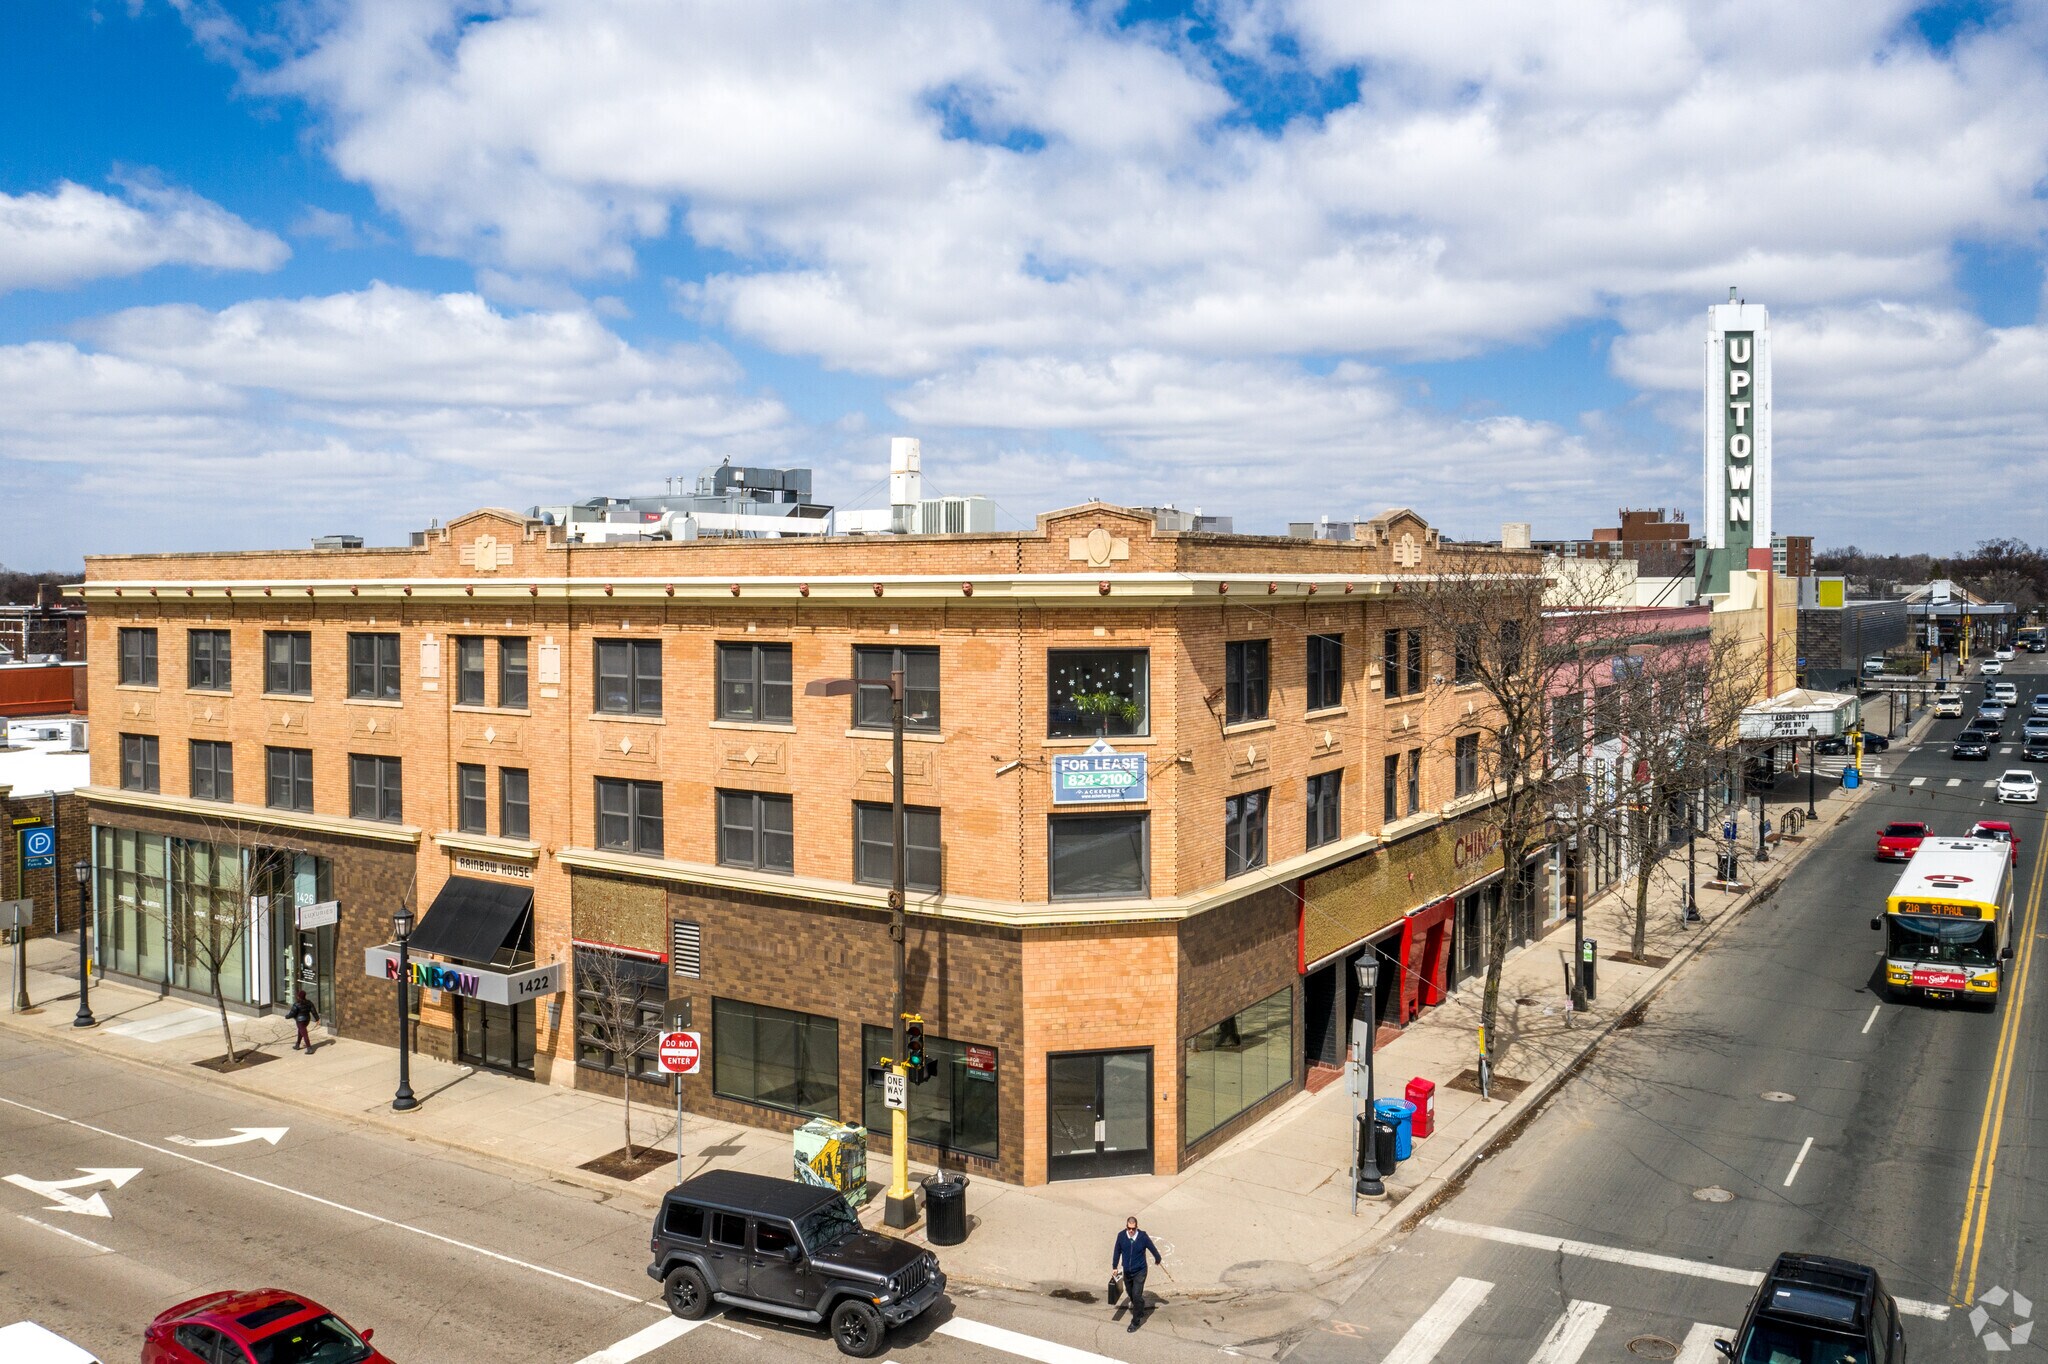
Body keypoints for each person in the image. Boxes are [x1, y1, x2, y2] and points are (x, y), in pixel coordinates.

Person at [1110, 1216, 1161, 1328]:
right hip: (1127, 1271)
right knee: (1130, 1293)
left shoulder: (1143, 1237)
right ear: (1126, 1227)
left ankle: (1135, 1321)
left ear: (1137, 1227)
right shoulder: (1121, 1236)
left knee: (1136, 1295)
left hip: (1140, 1271)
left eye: (1133, 1228)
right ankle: (1140, 1306)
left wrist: (1158, 1258)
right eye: (1129, 1228)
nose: (1131, 1231)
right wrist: (1114, 1266)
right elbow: (1117, 1251)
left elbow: (1152, 1248)